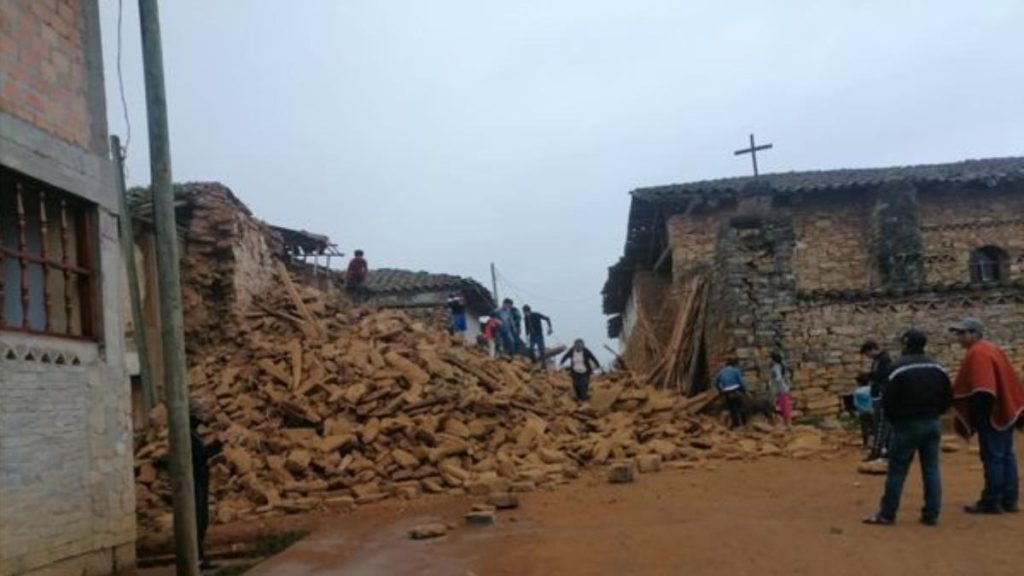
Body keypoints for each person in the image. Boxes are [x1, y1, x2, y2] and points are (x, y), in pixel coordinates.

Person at [863, 329, 952, 526]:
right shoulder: (937, 367)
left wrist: (896, 420)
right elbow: (947, 397)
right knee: (931, 469)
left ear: (905, 345)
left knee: (897, 470)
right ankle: (931, 514)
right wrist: (936, 413)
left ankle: (887, 514)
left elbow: (888, 401)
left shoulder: (897, 368)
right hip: (932, 423)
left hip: (907, 424)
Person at [949, 317, 1024, 515]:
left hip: (992, 414)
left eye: (962, 333)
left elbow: (983, 389)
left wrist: (979, 416)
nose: (959, 337)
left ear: (974, 334)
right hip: (1004, 409)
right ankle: (1010, 499)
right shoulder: (993, 349)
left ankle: (992, 500)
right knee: (1007, 455)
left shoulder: (978, 353)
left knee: (993, 457)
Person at [190, 399, 223, 570]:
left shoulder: (193, 434)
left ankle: (199, 558)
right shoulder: (188, 436)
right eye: (198, 416)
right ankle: (196, 560)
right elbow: (199, 456)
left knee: (201, 521)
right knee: (197, 521)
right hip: (195, 484)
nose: (201, 420)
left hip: (199, 482)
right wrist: (217, 445)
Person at [860, 340, 894, 462]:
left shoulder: (884, 359)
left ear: (871, 349)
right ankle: (887, 450)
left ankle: (877, 450)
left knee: (880, 424)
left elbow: (882, 376)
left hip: (882, 394)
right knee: (884, 425)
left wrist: (868, 376)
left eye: (867, 353)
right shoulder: (878, 360)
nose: (867, 357)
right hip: (879, 393)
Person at [714, 358, 748, 428]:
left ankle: (736, 425)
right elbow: (741, 382)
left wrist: (720, 389)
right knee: (741, 407)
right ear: (733, 365)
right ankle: (744, 424)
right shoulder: (735, 370)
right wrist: (744, 390)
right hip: (736, 390)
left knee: (732, 409)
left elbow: (715, 382)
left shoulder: (721, 372)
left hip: (727, 392)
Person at [769, 352, 793, 427]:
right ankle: (787, 422)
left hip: (780, 388)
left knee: (784, 405)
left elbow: (778, 378)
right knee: (785, 404)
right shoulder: (781, 364)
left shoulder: (776, 367)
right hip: (784, 387)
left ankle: (788, 423)